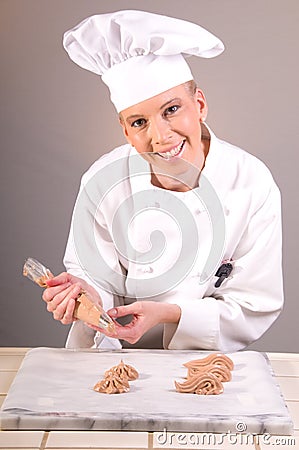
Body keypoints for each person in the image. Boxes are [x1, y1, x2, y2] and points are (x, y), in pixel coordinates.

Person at [42, 10, 283, 352]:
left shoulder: (252, 182)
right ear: (125, 130)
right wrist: (88, 294)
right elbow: (92, 272)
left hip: (202, 365)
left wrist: (170, 314)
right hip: (107, 360)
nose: (161, 136)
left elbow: (253, 304)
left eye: (171, 110)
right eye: (139, 122)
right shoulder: (101, 180)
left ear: (199, 104)